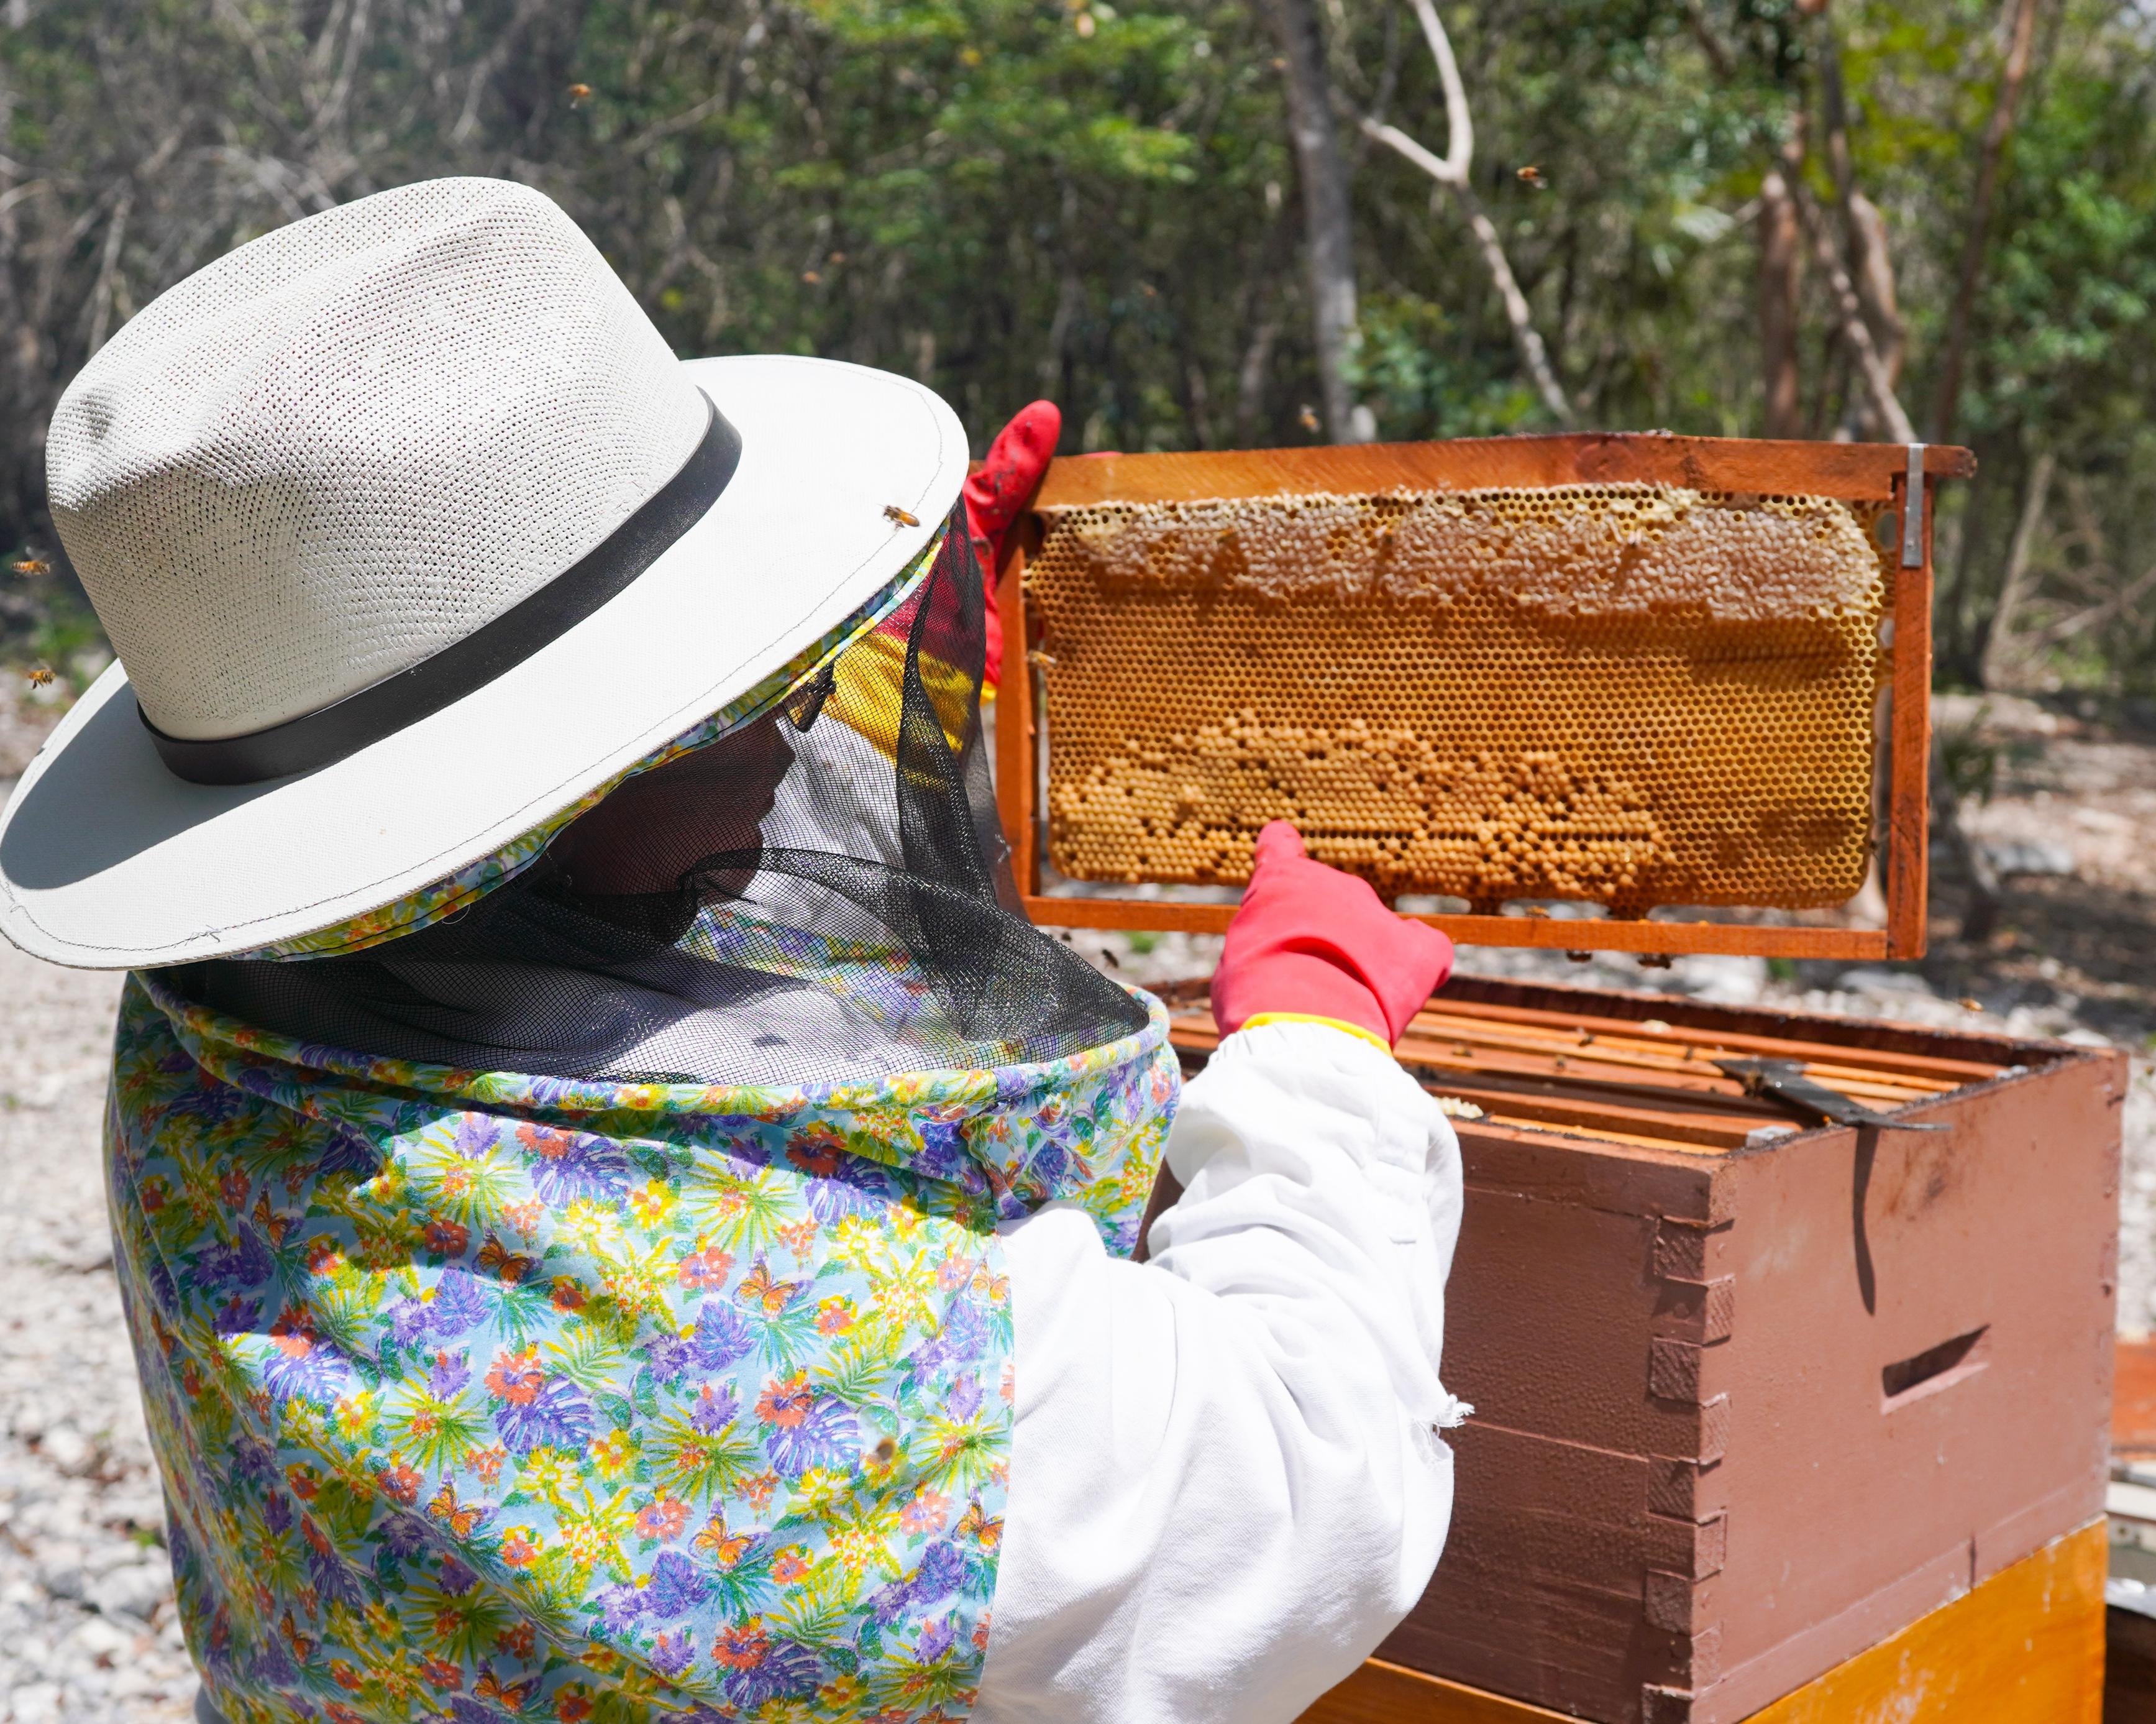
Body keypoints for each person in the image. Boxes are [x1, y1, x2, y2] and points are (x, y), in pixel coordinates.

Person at [0, 177, 1463, 1724]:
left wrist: (866, 666)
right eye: (732, 701)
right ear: (511, 821)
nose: (797, 717)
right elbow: (1303, 1485)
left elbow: (606, 879)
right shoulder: (718, 1354)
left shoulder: (236, 1026)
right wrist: (1316, 1054)